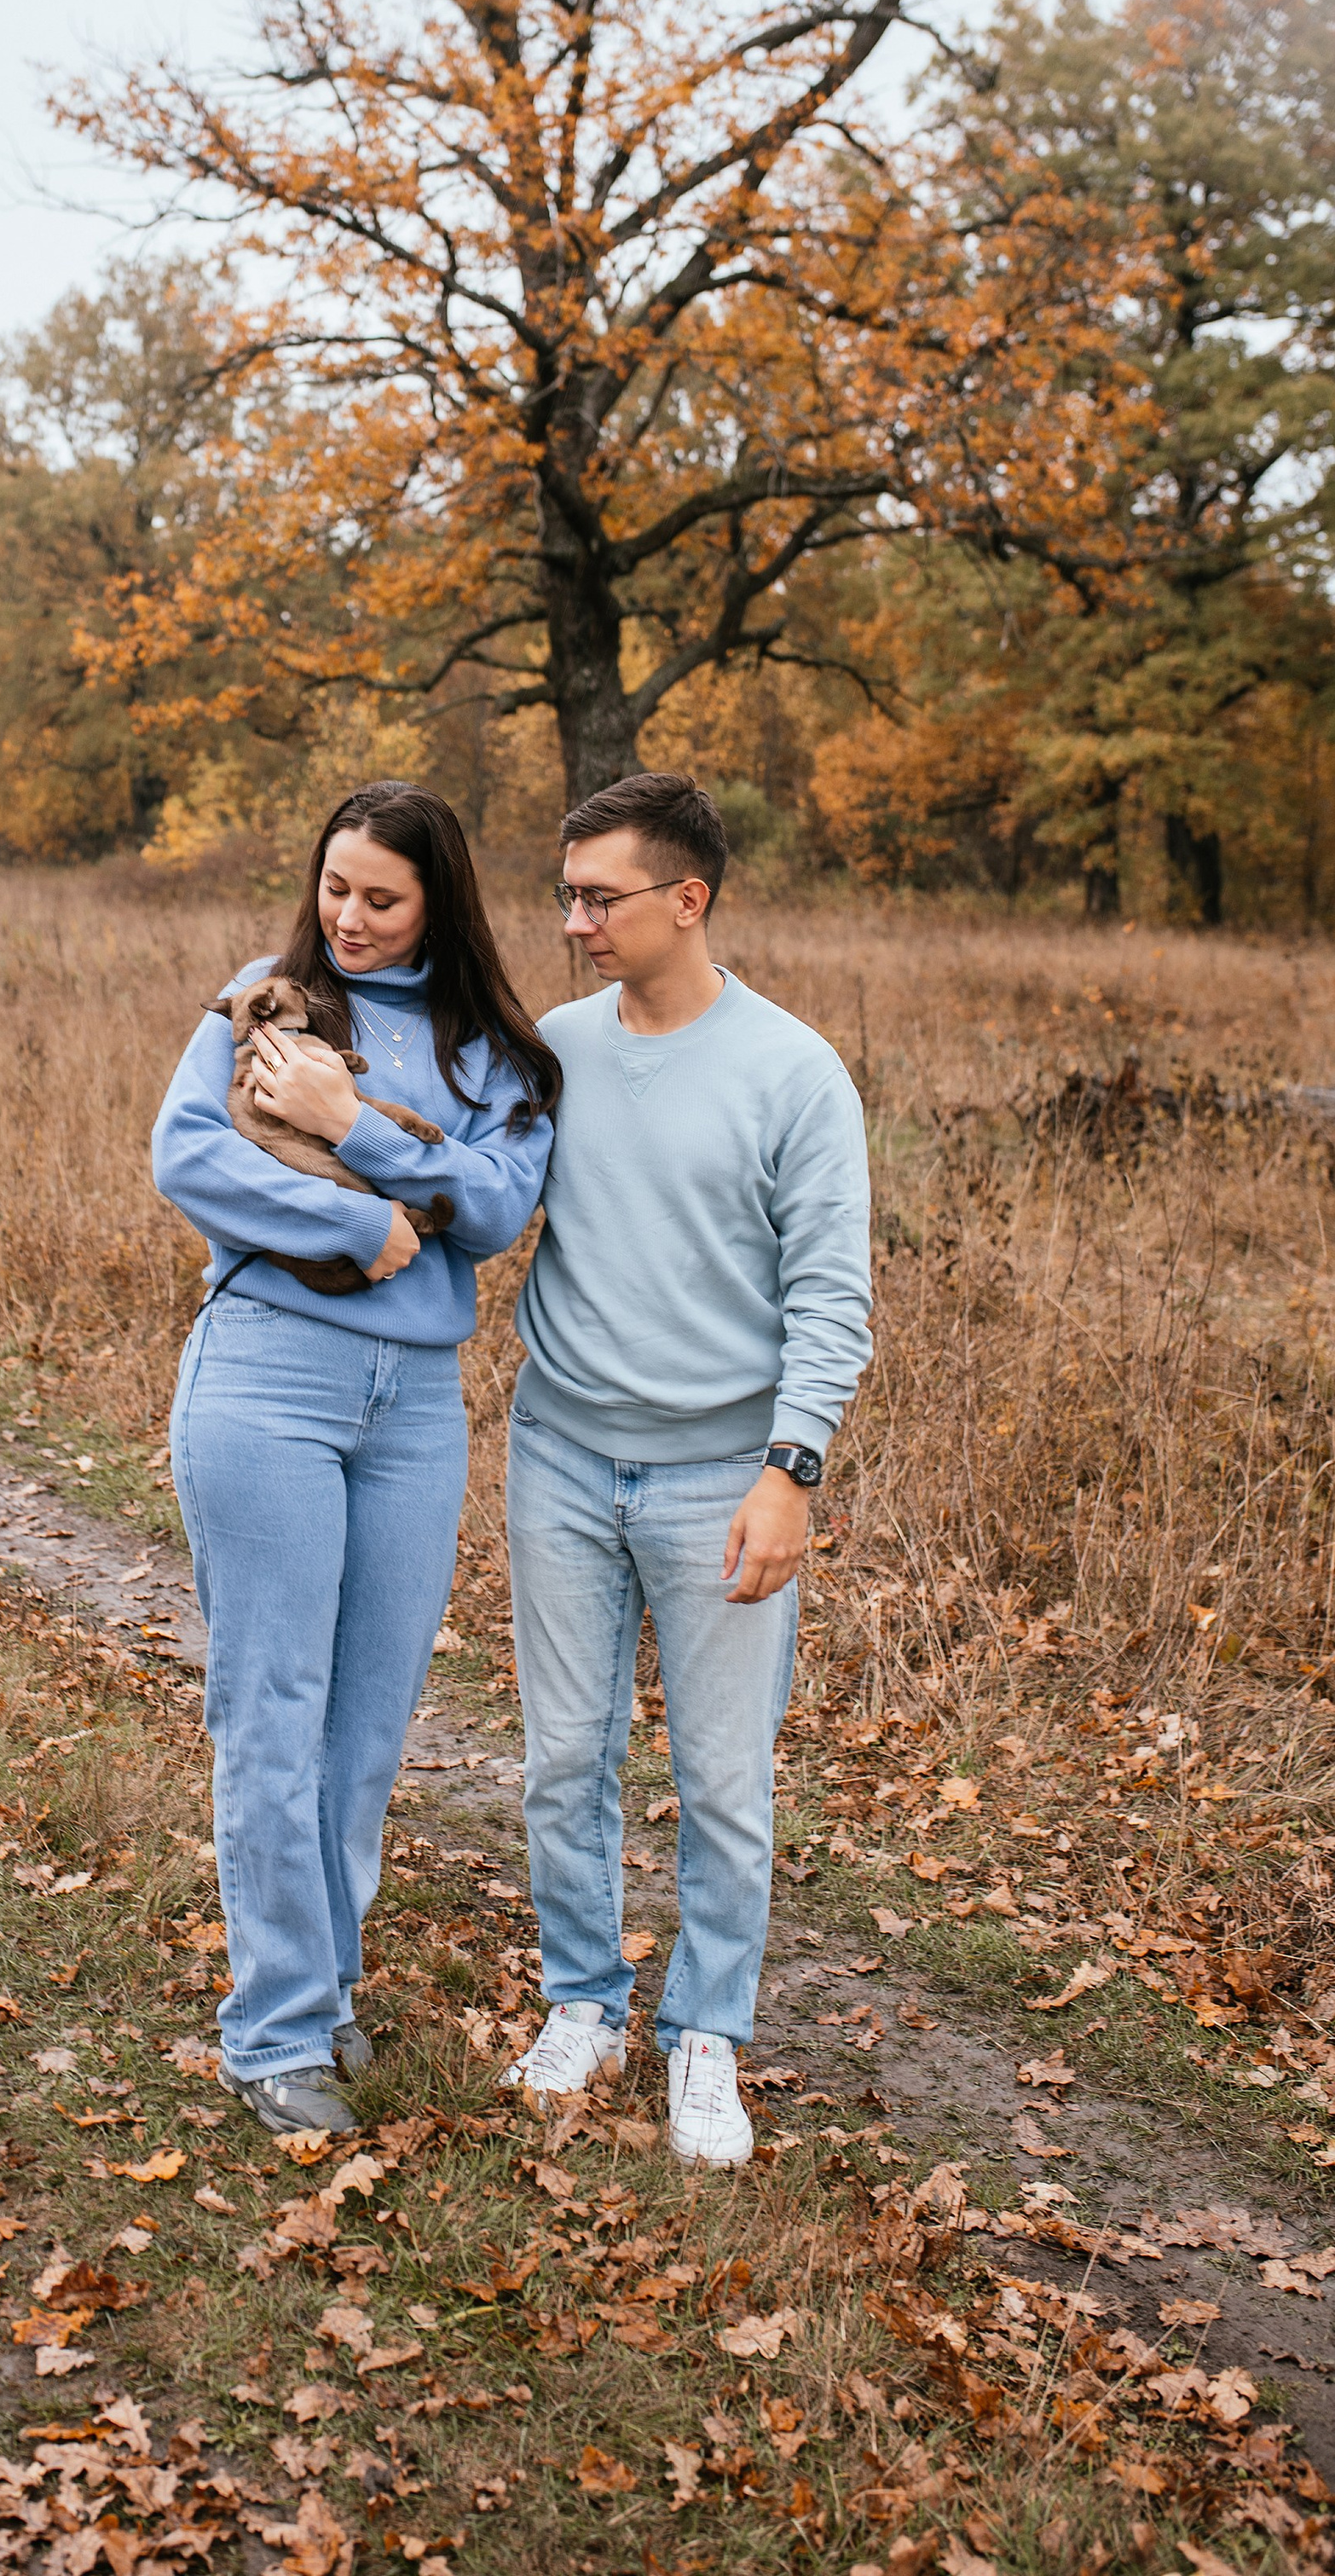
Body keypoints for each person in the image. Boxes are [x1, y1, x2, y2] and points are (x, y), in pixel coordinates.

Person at [151, 782, 560, 2135]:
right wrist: (358, 1227)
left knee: (366, 1727)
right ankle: (273, 2033)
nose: (351, 918)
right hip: (267, 1375)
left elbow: (494, 1209)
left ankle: (324, 1989)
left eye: (383, 898)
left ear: (439, 901)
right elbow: (189, 1159)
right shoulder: (267, 1003)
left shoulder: (492, 1055)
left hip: (416, 1410)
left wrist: (353, 1125)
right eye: (335, 889)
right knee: (271, 1709)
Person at [499, 772, 871, 2166]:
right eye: (568, 895)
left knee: (722, 1780)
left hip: (724, 1473)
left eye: (600, 898)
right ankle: (582, 2005)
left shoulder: (793, 1071)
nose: (575, 922)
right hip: (559, 1453)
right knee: (564, 1757)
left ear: (688, 899)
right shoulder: (555, 1050)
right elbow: (481, 1204)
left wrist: (792, 1472)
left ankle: (705, 2035)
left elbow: (832, 1296)